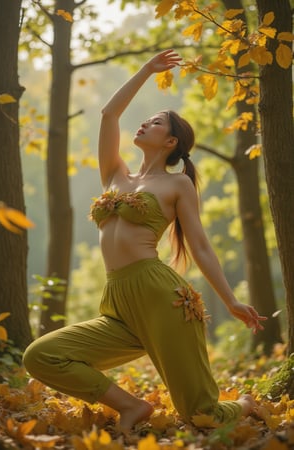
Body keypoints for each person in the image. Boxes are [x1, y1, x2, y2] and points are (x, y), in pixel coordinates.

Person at [23, 49, 266, 433]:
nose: (143, 124)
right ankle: (131, 406)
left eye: (154, 123)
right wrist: (146, 70)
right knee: (41, 355)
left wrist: (231, 300)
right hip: (117, 300)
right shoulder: (115, 175)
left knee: (201, 416)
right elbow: (108, 115)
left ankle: (246, 403)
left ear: (170, 142)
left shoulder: (177, 184)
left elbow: (200, 245)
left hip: (161, 297)